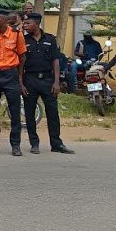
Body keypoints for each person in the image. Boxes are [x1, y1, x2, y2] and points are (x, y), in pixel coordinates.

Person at [20, 13, 74, 154]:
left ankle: (56, 143)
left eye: (27, 23)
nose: (24, 26)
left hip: (47, 79)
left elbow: (55, 60)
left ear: (36, 24)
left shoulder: (50, 39)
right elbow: (20, 62)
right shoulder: (23, 40)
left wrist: (56, 82)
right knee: (30, 113)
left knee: (53, 113)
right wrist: (21, 82)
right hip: (30, 79)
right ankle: (34, 143)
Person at [0, 9, 27, 156]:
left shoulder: (16, 34)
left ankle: (16, 145)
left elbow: (22, 57)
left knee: (15, 112)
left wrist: (19, 77)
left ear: (3, 20)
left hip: (11, 75)